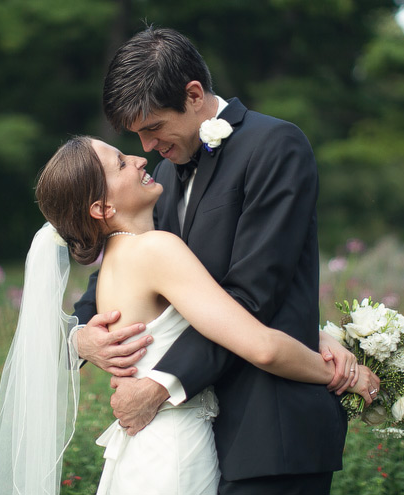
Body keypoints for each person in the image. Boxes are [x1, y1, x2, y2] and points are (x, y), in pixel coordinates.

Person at [0, 136, 378, 495]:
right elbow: (261, 347)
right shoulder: (156, 251)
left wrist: (312, 333)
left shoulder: (117, 261)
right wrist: (345, 374)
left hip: (144, 447)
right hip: (175, 450)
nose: (142, 158)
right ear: (103, 208)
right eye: (122, 163)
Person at [73, 26, 364, 494]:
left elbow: (250, 297)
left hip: (269, 433)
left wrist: (160, 385)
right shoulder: (162, 178)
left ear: (192, 95)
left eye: (152, 128)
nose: (146, 148)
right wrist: (81, 339)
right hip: (190, 440)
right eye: (137, 135)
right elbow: (115, 280)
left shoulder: (275, 147)